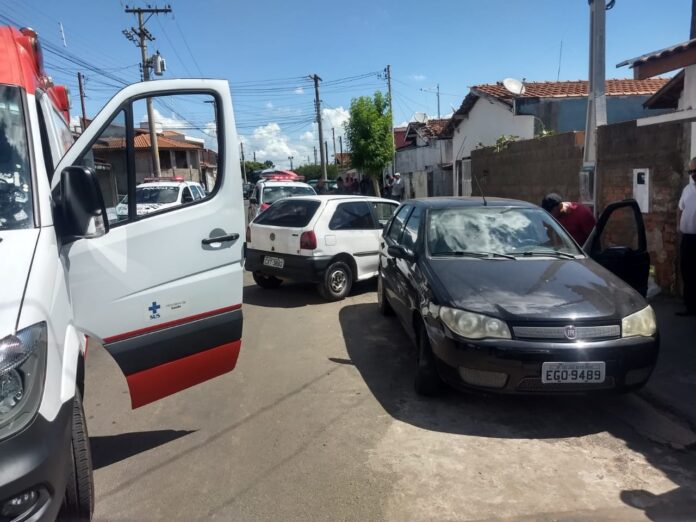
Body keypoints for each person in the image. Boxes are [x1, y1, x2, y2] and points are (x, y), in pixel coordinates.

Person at [677, 158, 696, 316]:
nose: (693, 174)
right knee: (687, 272)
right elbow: (680, 209)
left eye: (695, 171)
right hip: (687, 239)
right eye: (691, 171)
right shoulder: (687, 189)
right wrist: (678, 225)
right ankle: (689, 306)